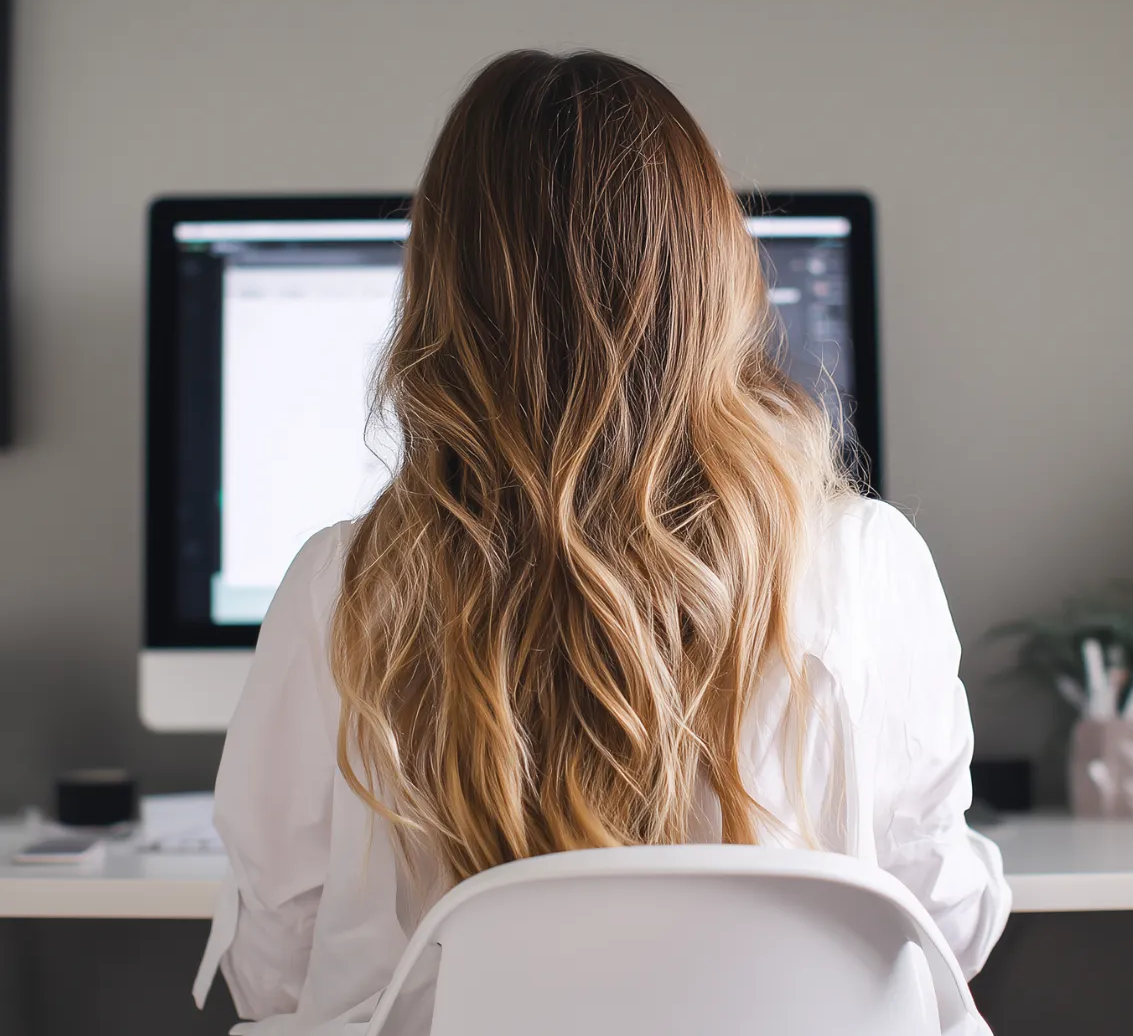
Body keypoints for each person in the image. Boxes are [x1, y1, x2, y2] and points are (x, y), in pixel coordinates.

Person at [194, 50, 1010, 1033]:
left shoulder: (344, 585)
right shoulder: (869, 561)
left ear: (441, 294)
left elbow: (274, 971)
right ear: (714, 277)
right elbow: (938, 933)